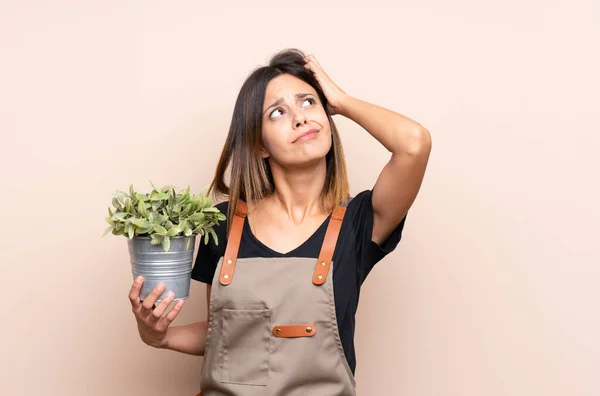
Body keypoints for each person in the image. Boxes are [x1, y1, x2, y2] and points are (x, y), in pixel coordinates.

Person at [128, 48, 432, 395]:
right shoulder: (224, 224)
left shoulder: (361, 222)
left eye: (308, 102)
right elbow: (221, 334)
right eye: (277, 112)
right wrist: (159, 336)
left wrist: (341, 101)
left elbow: (414, 144)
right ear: (259, 145)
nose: (300, 119)